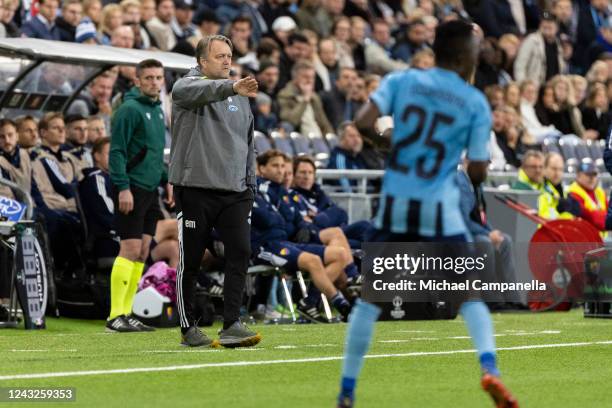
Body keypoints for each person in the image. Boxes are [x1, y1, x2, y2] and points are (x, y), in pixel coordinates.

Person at [336, 21, 518, 408]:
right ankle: (490, 370)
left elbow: (364, 123)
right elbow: (480, 169)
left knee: (371, 300)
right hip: (440, 206)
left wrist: (395, 146)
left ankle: (347, 390)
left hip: (398, 202)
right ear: (466, 52)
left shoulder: (403, 82)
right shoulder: (473, 102)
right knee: (469, 292)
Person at [170, 35, 261, 348]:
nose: (227, 61)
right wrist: (232, 87)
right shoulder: (186, 87)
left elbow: (248, 142)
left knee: (240, 252)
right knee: (191, 260)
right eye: (220, 56)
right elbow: (199, 91)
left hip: (235, 190)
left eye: (229, 56)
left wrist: (251, 181)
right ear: (201, 62)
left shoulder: (240, 95)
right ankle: (187, 328)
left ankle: (232, 323)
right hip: (196, 189)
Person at [106, 59, 170, 333]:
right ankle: (114, 316)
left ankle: (128, 312)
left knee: (143, 251)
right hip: (130, 188)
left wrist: (168, 181)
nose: (155, 82)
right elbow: (117, 151)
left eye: (159, 78)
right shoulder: (129, 109)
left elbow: (155, 152)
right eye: (149, 78)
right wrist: (122, 187)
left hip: (150, 190)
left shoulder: (158, 110)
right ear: (137, 81)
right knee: (129, 249)